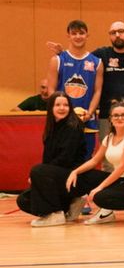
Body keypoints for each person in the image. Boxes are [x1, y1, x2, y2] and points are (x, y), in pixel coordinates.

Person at [66, 99, 124, 225]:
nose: (119, 118)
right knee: (84, 176)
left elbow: (122, 167)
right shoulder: (109, 138)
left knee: (99, 197)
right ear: (110, 119)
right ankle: (107, 213)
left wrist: (99, 187)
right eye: (116, 115)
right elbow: (94, 161)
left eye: (123, 115)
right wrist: (75, 172)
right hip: (119, 180)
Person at [16, 93, 86, 227]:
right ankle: (70, 205)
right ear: (51, 108)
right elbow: (47, 157)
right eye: (57, 105)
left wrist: (41, 174)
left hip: (72, 176)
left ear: (70, 107)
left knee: (37, 170)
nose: (62, 108)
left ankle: (57, 213)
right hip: (56, 175)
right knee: (23, 200)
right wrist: (39, 178)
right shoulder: (52, 127)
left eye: (65, 105)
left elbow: (66, 158)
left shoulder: (74, 127)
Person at [47, 19, 102, 155]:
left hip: (86, 121)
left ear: (87, 35)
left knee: (86, 159)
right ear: (68, 36)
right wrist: (60, 112)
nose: (78, 36)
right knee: (61, 159)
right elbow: (51, 90)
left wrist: (90, 112)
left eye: (81, 33)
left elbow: (97, 91)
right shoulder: (57, 60)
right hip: (62, 121)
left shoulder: (97, 62)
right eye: (74, 33)